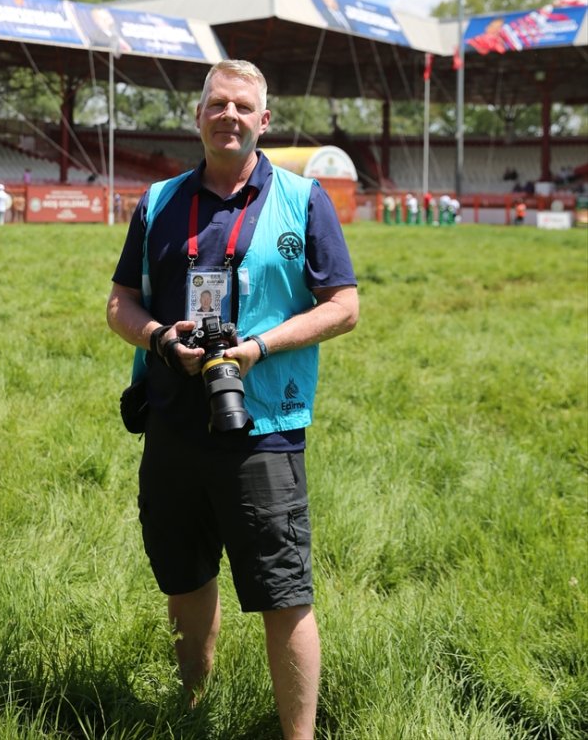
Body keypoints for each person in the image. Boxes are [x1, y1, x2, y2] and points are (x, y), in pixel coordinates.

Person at [107, 59, 359, 739]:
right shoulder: (158, 202)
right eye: (218, 104)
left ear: (264, 121)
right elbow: (120, 302)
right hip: (173, 419)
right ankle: (190, 712)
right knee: (184, 580)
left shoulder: (305, 200)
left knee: (284, 593)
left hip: (265, 426)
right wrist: (162, 339)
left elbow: (345, 306)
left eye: (244, 107)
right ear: (198, 117)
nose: (230, 116)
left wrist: (258, 347)